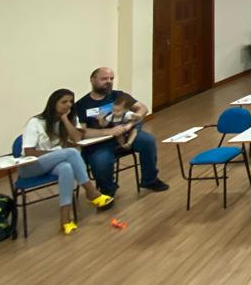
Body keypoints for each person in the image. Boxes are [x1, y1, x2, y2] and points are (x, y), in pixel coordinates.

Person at [21, 89, 115, 234]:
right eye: (64, 102)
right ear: (53, 103)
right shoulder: (36, 122)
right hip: (30, 166)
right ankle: (91, 192)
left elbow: (77, 138)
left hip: (52, 165)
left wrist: (65, 120)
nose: (68, 105)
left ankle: (65, 220)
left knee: (66, 167)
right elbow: (29, 152)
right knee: (70, 153)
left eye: (71, 102)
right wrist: (58, 154)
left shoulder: (65, 121)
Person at [73, 68, 168, 195]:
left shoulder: (119, 95)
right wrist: (108, 131)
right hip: (100, 143)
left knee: (148, 141)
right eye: (104, 79)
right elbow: (82, 132)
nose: (109, 81)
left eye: (111, 78)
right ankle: (107, 191)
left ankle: (150, 180)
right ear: (92, 80)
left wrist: (129, 125)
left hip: (126, 135)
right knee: (101, 162)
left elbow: (143, 109)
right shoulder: (81, 104)